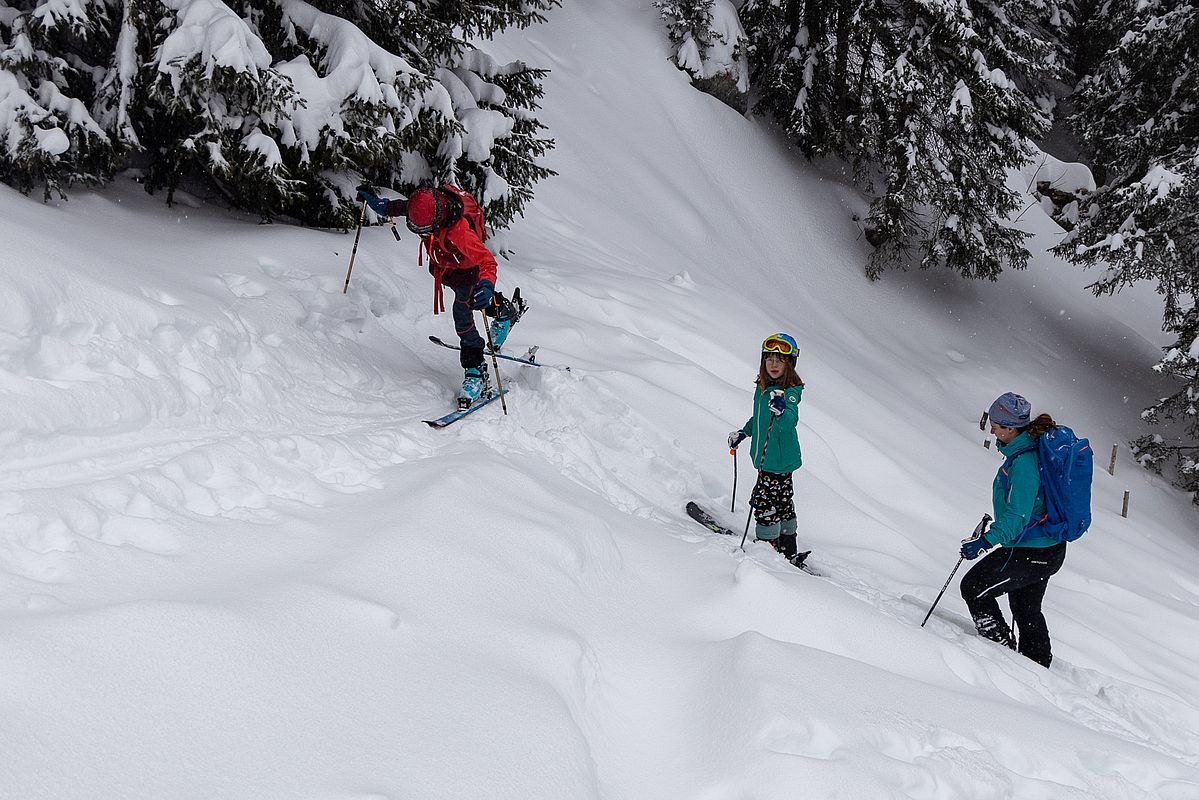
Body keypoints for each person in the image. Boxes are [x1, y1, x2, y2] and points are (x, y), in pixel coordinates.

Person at [355, 183, 523, 408]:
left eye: (425, 231)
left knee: (462, 316)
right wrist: (380, 206)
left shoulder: (459, 230)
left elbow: (487, 261)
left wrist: (486, 285)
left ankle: (476, 371)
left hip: (468, 270)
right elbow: (402, 207)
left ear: (437, 220)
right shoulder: (424, 207)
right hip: (448, 269)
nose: (423, 235)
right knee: (475, 300)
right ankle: (504, 312)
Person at [959, 391, 1068, 668]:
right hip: (1046, 549)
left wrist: (984, 542)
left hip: (1032, 550)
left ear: (1010, 428)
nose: (992, 430)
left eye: (996, 425)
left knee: (973, 587)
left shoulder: (1025, 463)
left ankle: (1000, 654)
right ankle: (1037, 667)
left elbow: (1016, 517)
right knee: (1026, 608)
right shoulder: (1025, 452)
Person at [728, 333, 807, 566]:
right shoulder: (763, 388)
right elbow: (759, 419)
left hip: (777, 461)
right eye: (770, 359)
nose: (774, 364)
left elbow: (789, 420)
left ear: (789, 364)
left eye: (780, 360)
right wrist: (744, 432)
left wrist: (782, 409)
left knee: (764, 502)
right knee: (782, 501)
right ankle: (787, 545)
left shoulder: (789, 392)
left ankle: (767, 548)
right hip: (776, 460)